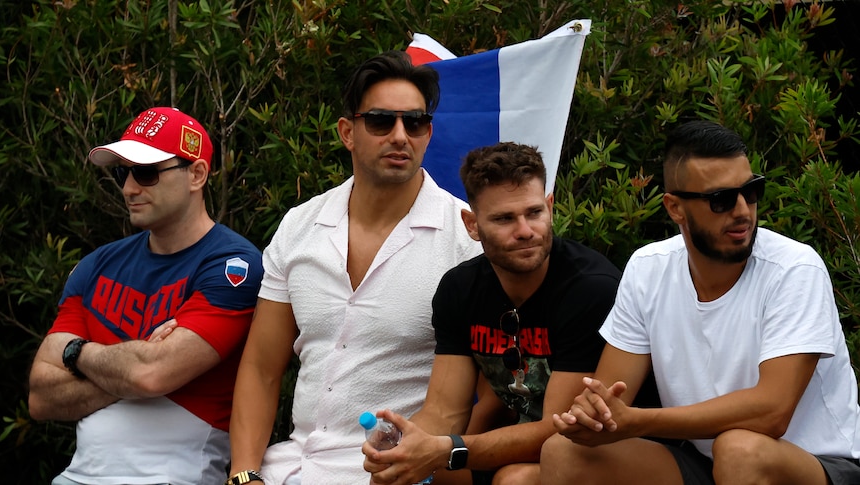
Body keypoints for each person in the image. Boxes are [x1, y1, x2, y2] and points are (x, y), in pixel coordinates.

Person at [541, 120, 860, 485]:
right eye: (721, 199)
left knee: (740, 451)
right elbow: (613, 395)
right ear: (675, 208)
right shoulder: (648, 269)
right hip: (708, 462)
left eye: (751, 191)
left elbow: (773, 412)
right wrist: (593, 414)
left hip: (817, 464)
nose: (742, 210)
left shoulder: (793, 269)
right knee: (563, 452)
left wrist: (639, 421)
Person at [225, 50, 482, 485]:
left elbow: (489, 395)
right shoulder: (299, 225)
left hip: (395, 472)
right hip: (289, 465)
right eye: (382, 121)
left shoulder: (465, 240)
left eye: (415, 123)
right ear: (348, 132)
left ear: (428, 133)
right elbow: (261, 368)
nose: (400, 136)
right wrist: (244, 474)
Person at [362, 142, 657, 485]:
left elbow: (558, 430)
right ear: (472, 225)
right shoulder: (460, 290)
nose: (525, 231)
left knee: (514, 481)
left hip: (605, 452)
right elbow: (445, 411)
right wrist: (407, 449)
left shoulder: (589, 288)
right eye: (504, 219)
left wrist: (446, 450)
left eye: (534, 213)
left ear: (550, 207)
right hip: (522, 442)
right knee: (409, 475)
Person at [27, 107, 263, 485]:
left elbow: (151, 374)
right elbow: (40, 396)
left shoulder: (233, 265)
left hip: (172, 477)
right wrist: (130, 370)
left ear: (197, 174)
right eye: (123, 172)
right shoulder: (96, 265)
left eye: (147, 172)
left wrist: (76, 352)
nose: (129, 188)